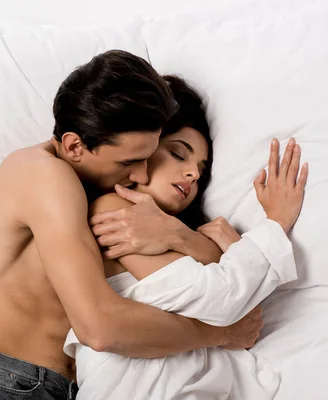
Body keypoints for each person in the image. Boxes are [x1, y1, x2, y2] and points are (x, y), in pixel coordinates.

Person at [0, 51, 267, 400]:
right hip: (3, 384)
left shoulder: (92, 203)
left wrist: (178, 234)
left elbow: (207, 280)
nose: (140, 174)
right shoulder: (44, 176)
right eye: (130, 161)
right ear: (74, 145)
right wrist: (218, 335)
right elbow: (99, 326)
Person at [65, 76, 308, 399]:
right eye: (179, 154)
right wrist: (275, 223)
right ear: (144, 151)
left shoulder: (175, 235)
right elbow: (222, 299)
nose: (193, 173)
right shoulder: (114, 209)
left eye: (201, 169)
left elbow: (248, 320)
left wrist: (185, 237)